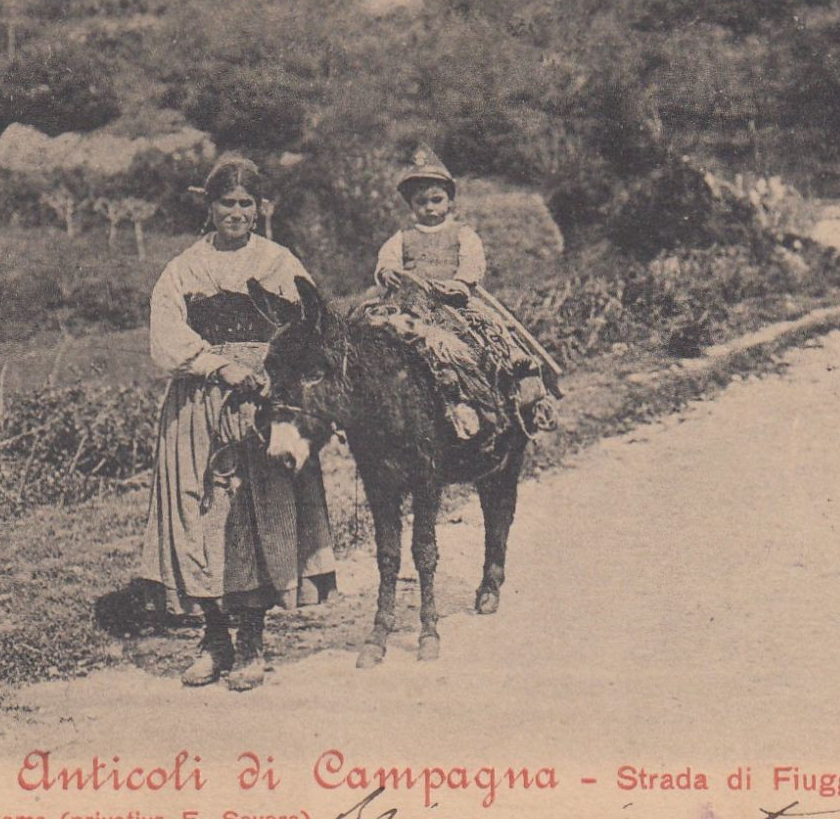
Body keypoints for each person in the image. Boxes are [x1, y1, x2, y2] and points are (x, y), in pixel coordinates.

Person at [135, 154, 336, 691]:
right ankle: (213, 638)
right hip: (199, 405)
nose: (237, 212)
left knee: (254, 515)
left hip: (264, 407)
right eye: (228, 202)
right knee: (200, 512)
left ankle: (251, 642)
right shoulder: (185, 269)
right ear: (211, 205)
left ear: (260, 208)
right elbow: (166, 339)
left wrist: (279, 377)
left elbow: (311, 328)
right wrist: (218, 365)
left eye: (247, 203)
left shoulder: (279, 263)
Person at [374, 145, 559, 435]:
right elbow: (387, 259)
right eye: (421, 202)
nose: (430, 208)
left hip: (455, 303)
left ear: (450, 202)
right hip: (413, 308)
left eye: (437, 200)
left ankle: (519, 373)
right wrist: (386, 272)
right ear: (411, 207)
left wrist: (460, 283)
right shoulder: (402, 238)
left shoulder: (462, 234)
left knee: (492, 328)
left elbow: (473, 261)